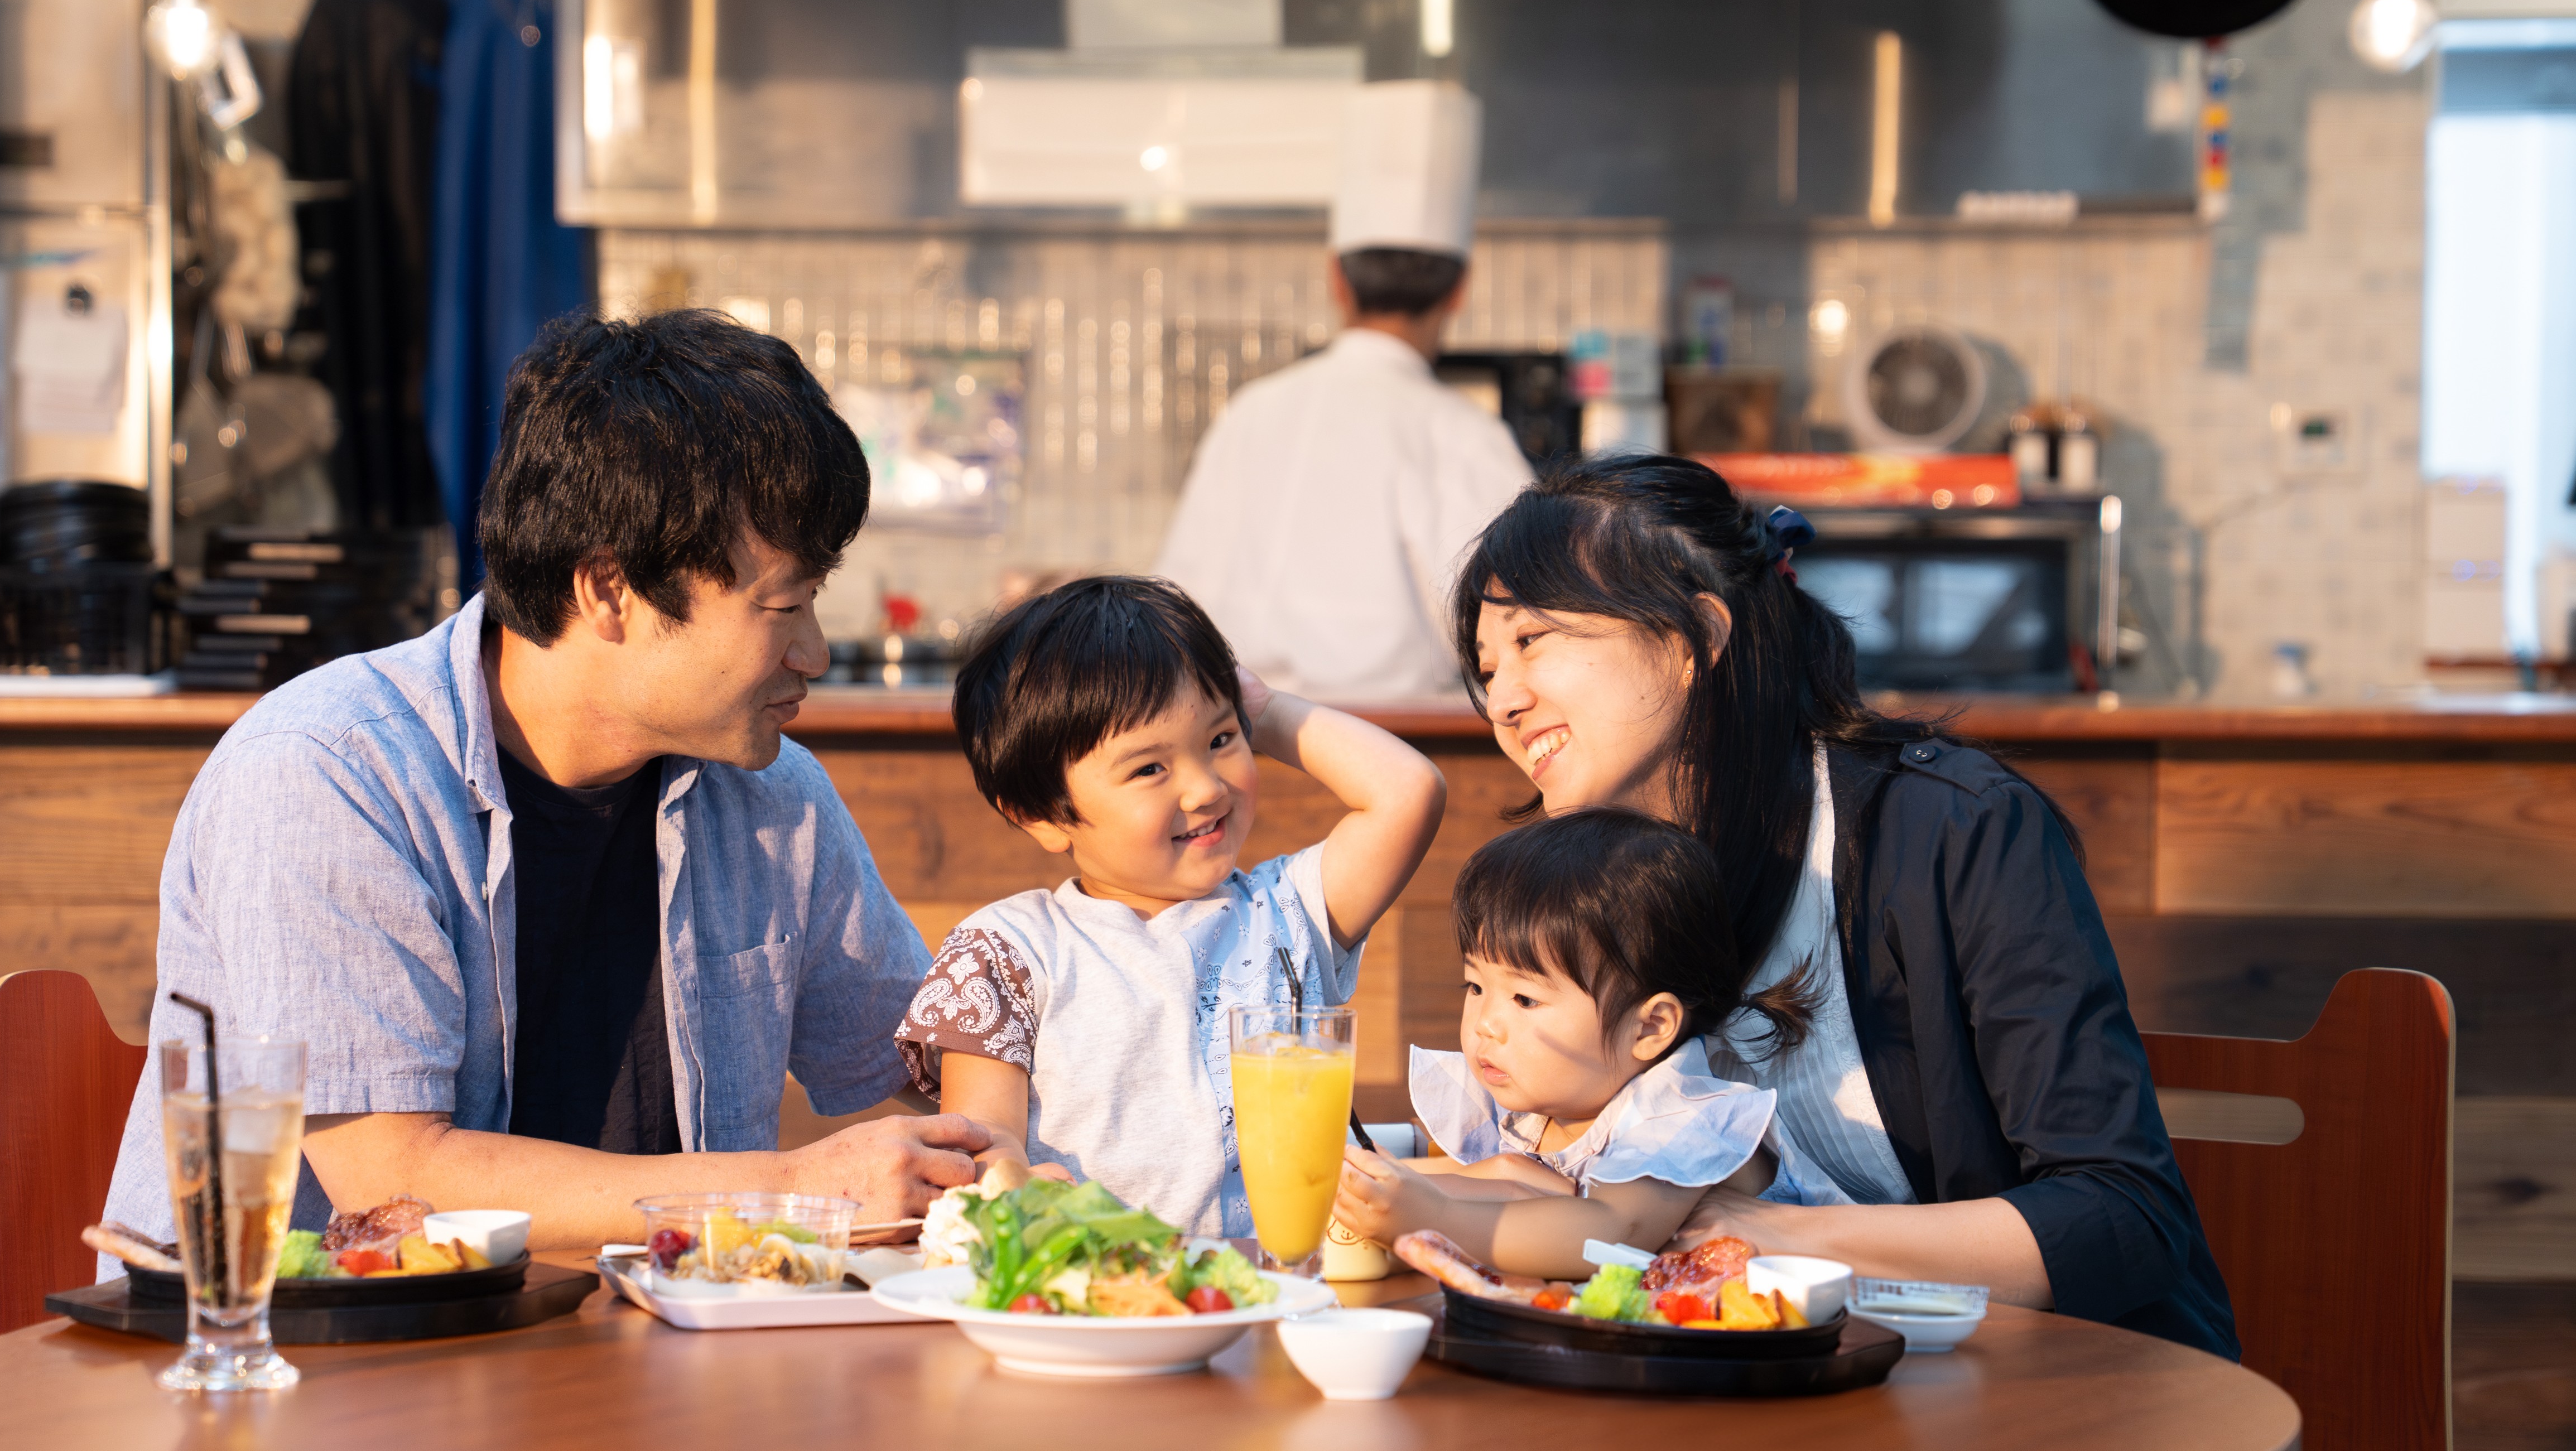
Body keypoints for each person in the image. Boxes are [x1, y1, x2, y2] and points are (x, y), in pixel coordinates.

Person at [99, 308, 989, 1263]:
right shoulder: (329, 772)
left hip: (633, 1363)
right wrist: (791, 1189)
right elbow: (394, 1182)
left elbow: (925, 1061)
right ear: (608, 588)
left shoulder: (770, 796)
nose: (811, 651)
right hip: (305, 1376)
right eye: (784, 605)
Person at [1451, 452, 2239, 1357]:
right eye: (1486, 665)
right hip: (1797, 1386)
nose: (1504, 700)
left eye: (1535, 641)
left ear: (1694, 639)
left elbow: (2121, 1216)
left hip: (2061, 1385)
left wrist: (1770, 1236)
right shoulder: (1586, 893)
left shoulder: (1953, 832)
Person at [891, 576, 1446, 1236]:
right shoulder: (1007, 951)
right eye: (1149, 768)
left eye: (1219, 739)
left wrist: (1261, 710)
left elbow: (1408, 790)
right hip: (1098, 1302)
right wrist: (1006, 1179)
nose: (1205, 788)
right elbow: (983, 1143)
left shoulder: (1289, 910)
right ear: (1043, 815)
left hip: (1284, 1295)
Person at [1333, 808, 1850, 1278]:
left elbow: (1607, 1234)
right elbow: (1502, 1179)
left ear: (1649, 1028)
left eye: (1525, 999)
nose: (1485, 1024)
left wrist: (1432, 1216)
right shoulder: (1546, 1100)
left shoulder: (1681, 1118)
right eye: (1476, 987)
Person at [1155, 81, 1531, 699]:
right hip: (1398, 749)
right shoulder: (1465, 434)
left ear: (1336, 279)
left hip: (1229, 745)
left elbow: (1170, 607)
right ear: (1460, 289)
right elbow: (1515, 624)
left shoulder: (1252, 412)